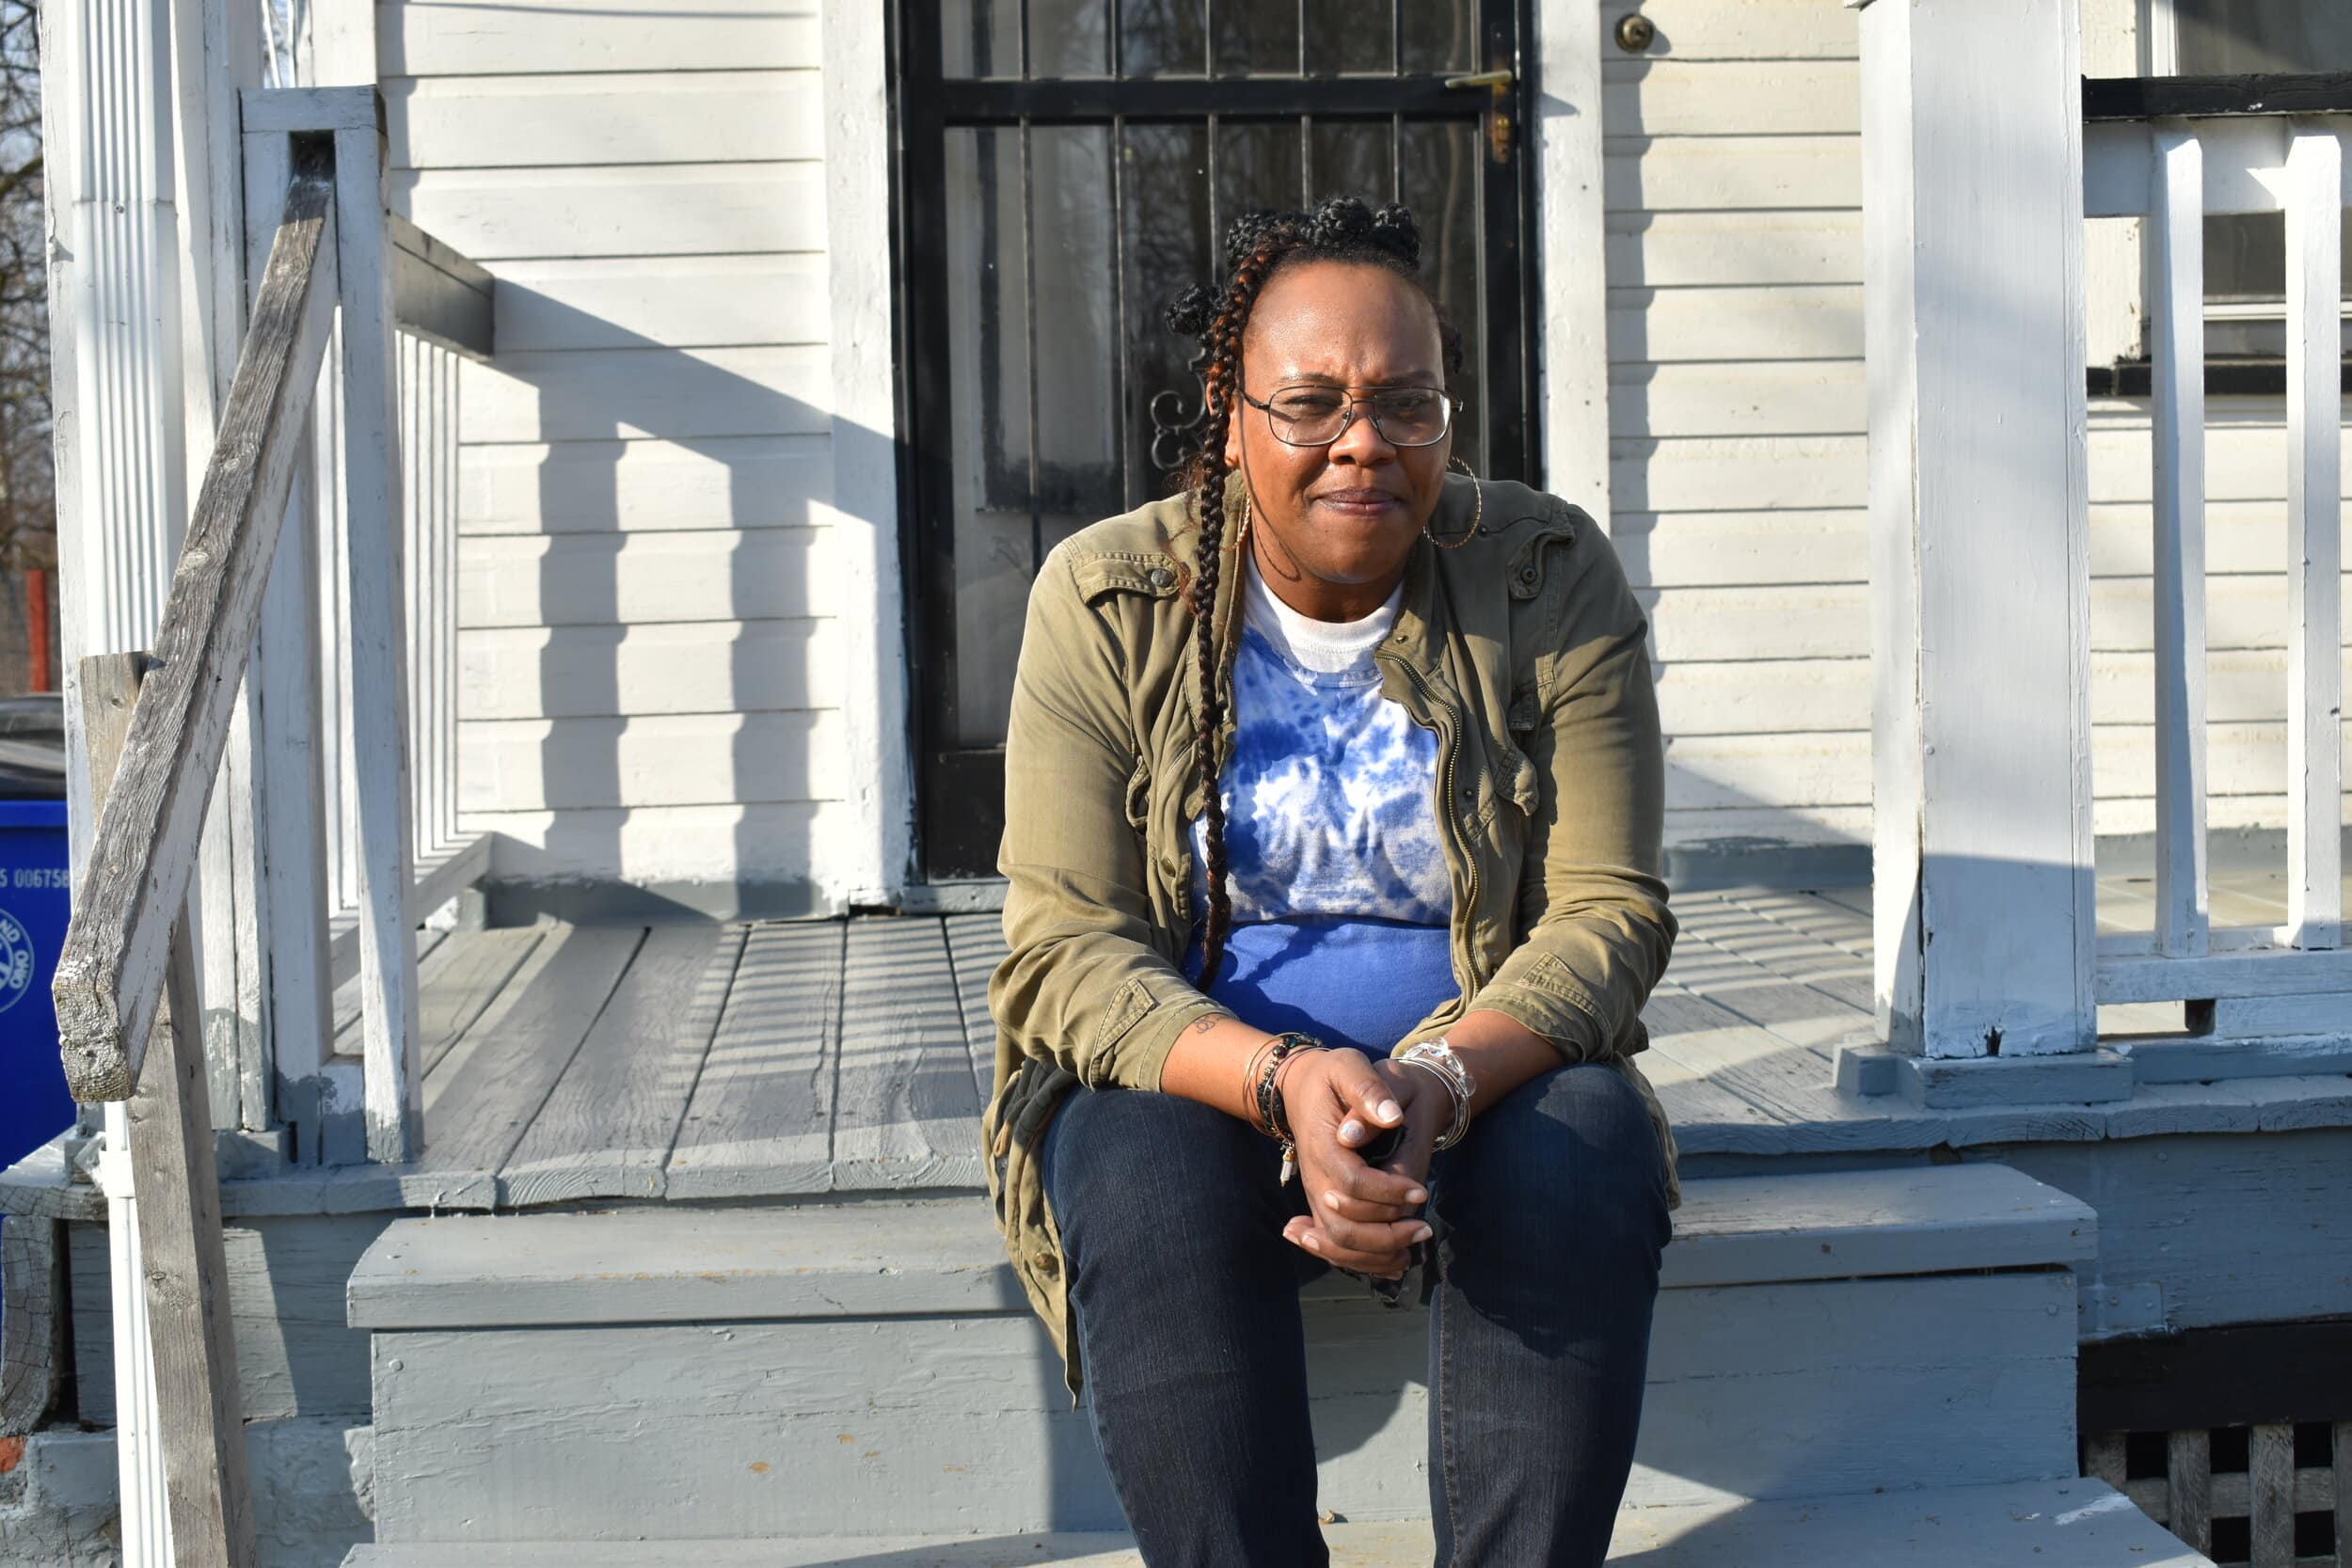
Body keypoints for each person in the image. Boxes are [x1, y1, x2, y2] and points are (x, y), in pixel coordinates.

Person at [981, 195, 1682, 1568]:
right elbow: (1065, 948)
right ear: (1229, 414)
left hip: (1481, 1062)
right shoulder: (1110, 594)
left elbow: (1609, 912)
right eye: (1310, 403)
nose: (1364, 441)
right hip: (1202, 1072)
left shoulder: (1545, 575)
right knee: (1134, 1167)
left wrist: (1438, 1081)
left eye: (1406, 403)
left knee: (1584, 1144)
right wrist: (1281, 1080)